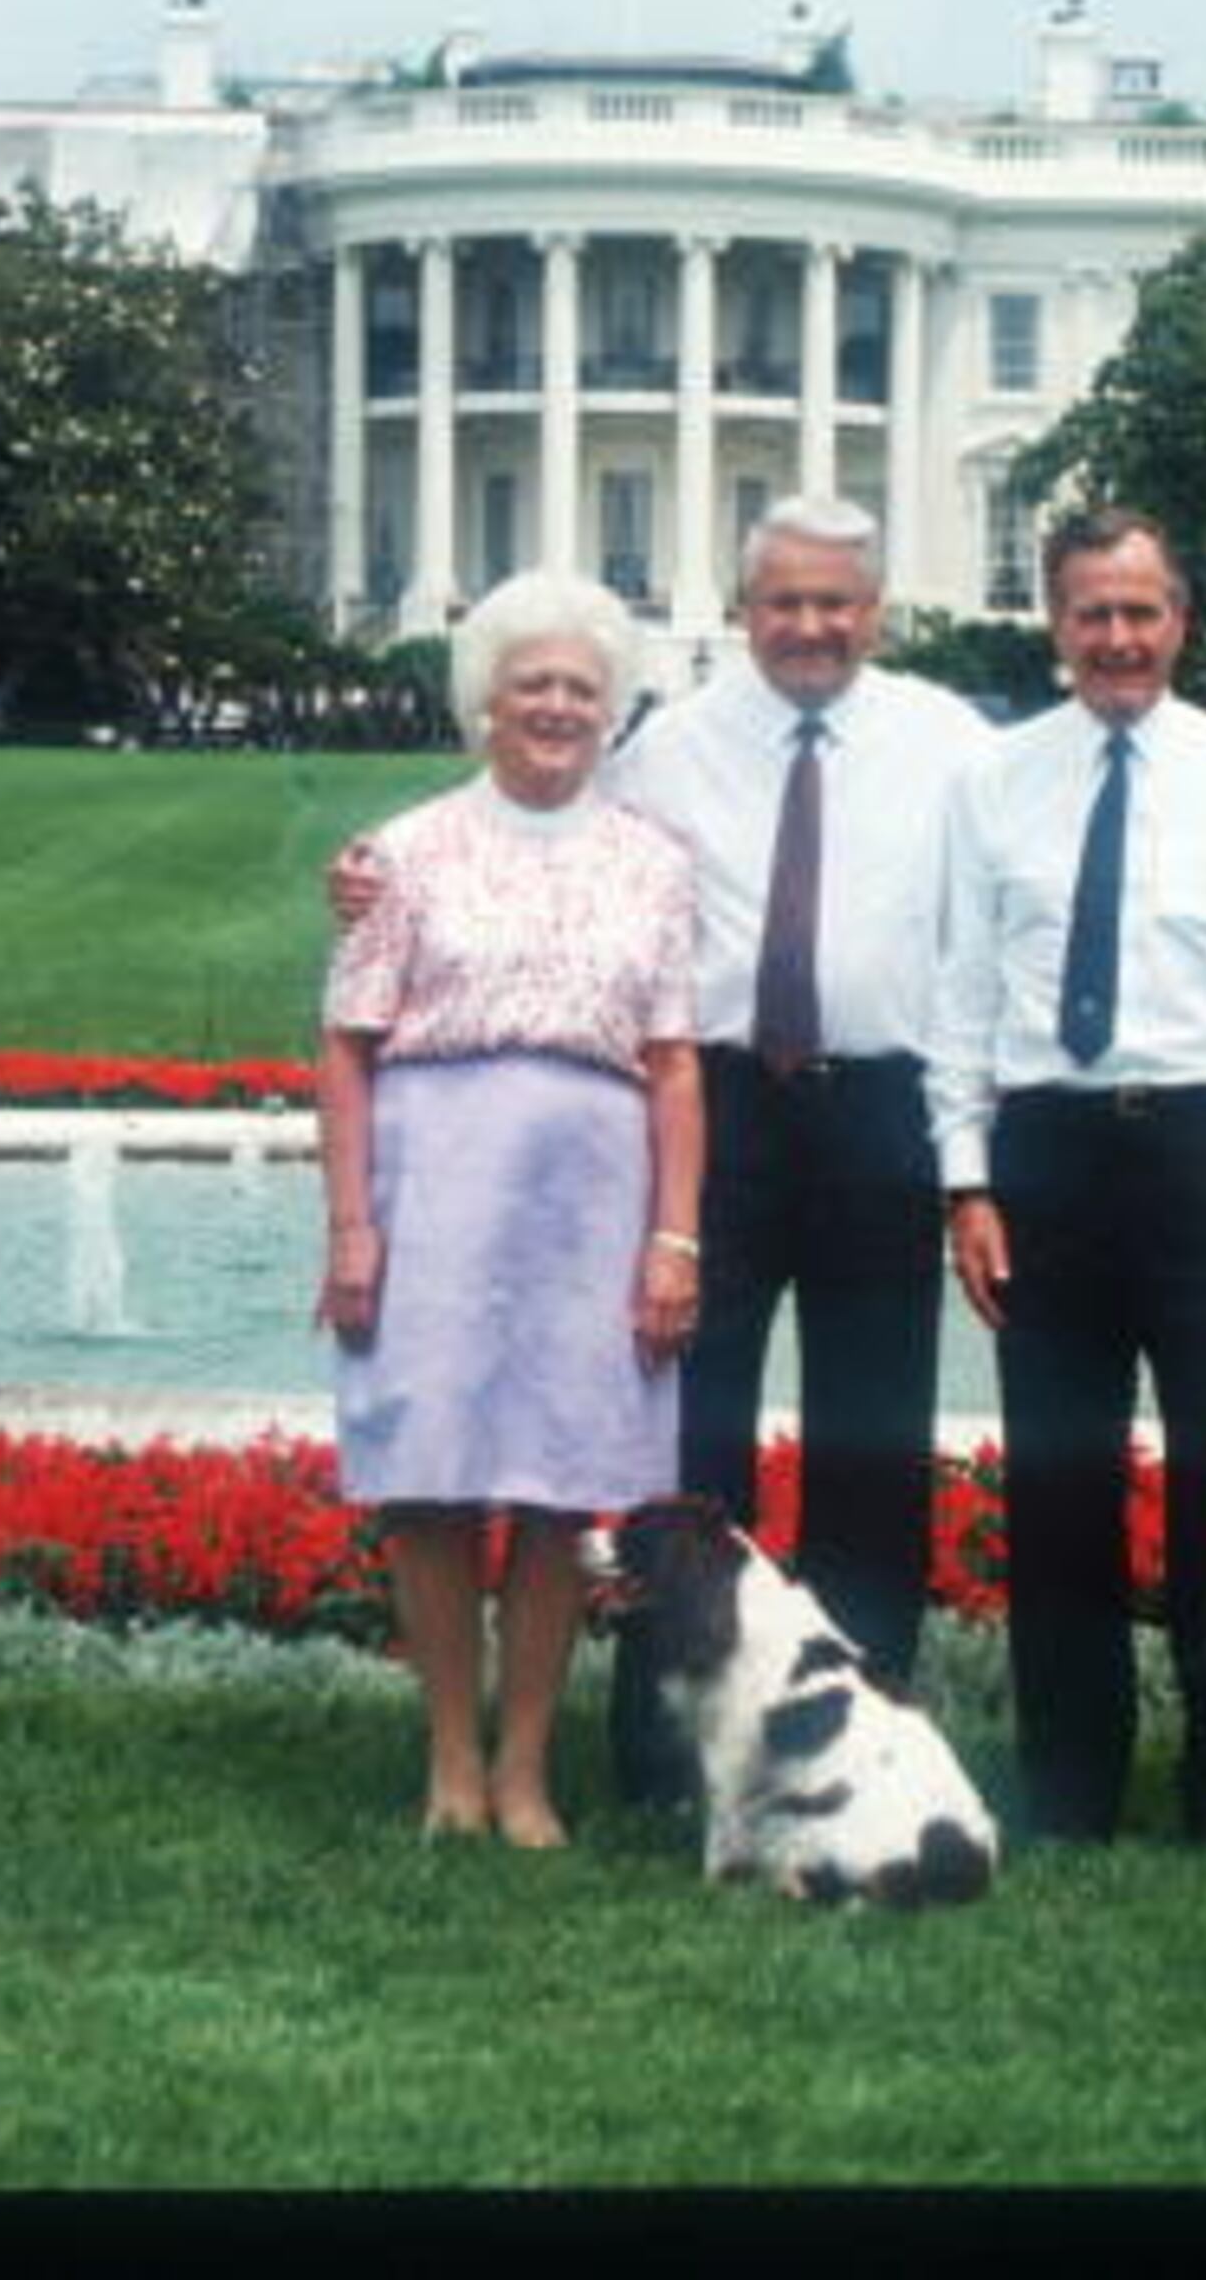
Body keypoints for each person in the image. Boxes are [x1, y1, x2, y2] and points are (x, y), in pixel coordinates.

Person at [334, 498, 996, 1807]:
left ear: (878, 610)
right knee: (686, 1455)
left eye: (837, 602)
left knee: (872, 1444)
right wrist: (366, 880)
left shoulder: (955, 739)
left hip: (879, 1114)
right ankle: (663, 1749)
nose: (811, 625)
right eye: (785, 602)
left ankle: (859, 1744)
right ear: (745, 611)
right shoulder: (668, 746)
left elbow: (1058, 811)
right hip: (716, 1113)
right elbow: (543, 827)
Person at [925, 507, 1206, 1872]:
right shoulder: (993, 781)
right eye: (1091, 614)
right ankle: (1068, 1791)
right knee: (1059, 1492)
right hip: (1051, 1156)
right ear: (1053, 624)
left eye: (1143, 611)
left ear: (1181, 620)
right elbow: (958, 993)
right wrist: (967, 1178)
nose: (1118, 639)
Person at [315, 570, 705, 1849]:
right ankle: (449, 1764)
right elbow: (347, 1044)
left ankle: (527, 1765)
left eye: (581, 689)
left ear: (611, 713)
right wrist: (354, 1226)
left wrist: (674, 1237)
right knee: (429, 1479)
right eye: (530, 683)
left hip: (591, 1191)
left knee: (554, 1486)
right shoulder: (404, 854)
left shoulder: (651, 863)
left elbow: (675, 1062)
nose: (554, 706)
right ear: (485, 702)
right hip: (435, 1180)